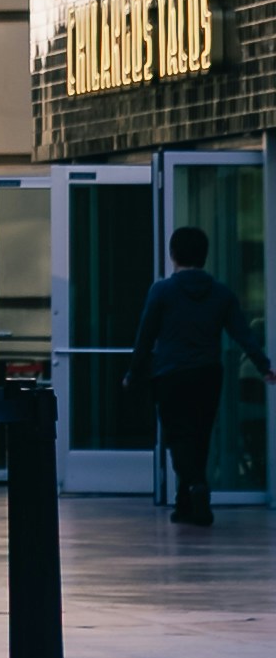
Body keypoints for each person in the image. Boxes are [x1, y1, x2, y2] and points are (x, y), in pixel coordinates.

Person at [130, 226, 269, 527]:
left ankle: (196, 488)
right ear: (205, 256)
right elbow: (242, 334)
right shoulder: (222, 295)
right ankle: (185, 504)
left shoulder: (162, 291)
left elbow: (145, 335)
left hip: (170, 374)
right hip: (208, 374)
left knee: (177, 437)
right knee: (200, 437)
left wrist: (134, 372)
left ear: (173, 255)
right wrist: (263, 365)